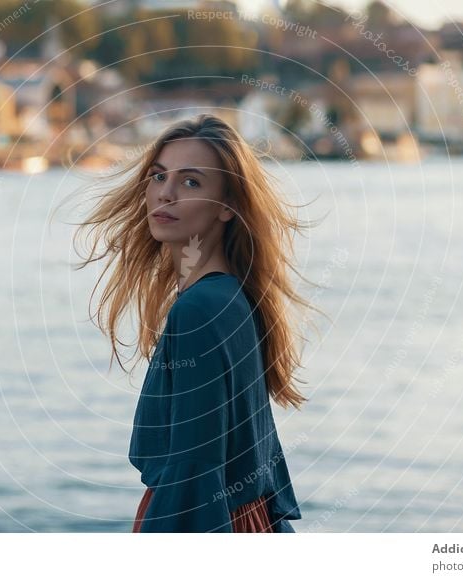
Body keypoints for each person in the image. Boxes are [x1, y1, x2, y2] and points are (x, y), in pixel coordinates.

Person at [69, 113, 325, 532]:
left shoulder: (200, 311)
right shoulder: (232, 298)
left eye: (190, 182)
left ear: (228, 207)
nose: (165, 194)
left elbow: (195, 473)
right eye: (157, 177)